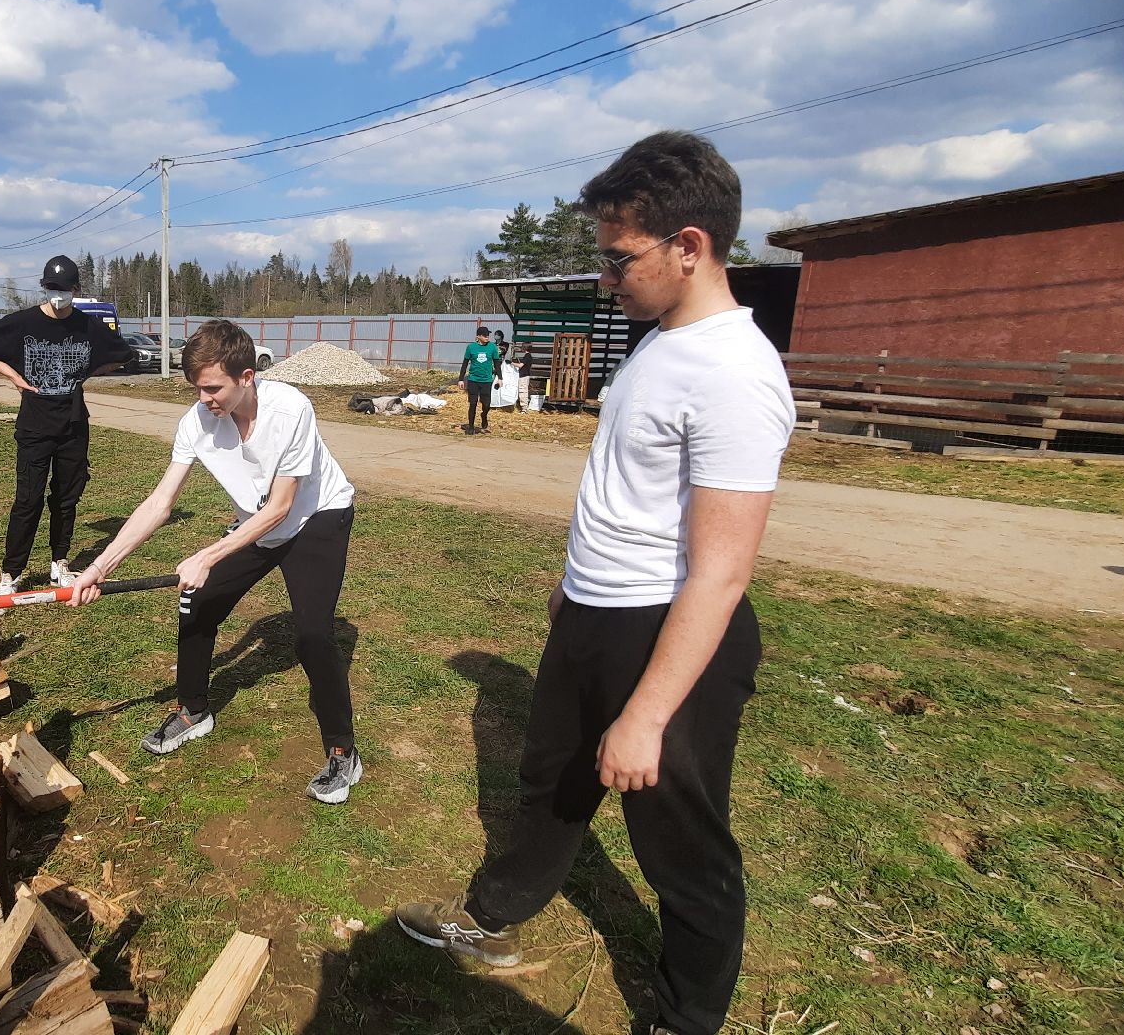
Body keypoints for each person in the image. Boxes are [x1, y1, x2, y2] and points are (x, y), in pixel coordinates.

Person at [394, 131, 795, 1035]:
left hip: (670, 633)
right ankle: (495, 914)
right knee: (551, 781)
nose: (608, 281)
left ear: (688, 248)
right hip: (595, 613)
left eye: (620, 261)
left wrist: (647, 714)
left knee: (680, 843)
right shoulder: (661, 341)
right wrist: (574, 590)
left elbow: (723, 568)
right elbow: (632, 491)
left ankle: (687, 1014)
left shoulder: (735, 372)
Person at [66, 319, 362, 804]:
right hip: (258, 519)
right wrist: (100, 566)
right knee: (196, 600)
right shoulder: (196, 421)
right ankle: (193, 710)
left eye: (212, 387)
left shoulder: (290, 410)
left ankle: (342, 750)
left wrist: (208, 553)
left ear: (247, 376)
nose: (203, 399)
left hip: (316, 518)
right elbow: (160, 503)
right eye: (196, 388)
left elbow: (283, 507)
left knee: (312, 635)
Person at [0, 255, 134, 595]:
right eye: (52, 288)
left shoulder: (87, 326)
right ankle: (11, 574)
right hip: (35, 427)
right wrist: (14, 377)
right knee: (28, 500)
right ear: (45, 288)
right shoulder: (24, 322)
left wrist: (88, 374)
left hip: (73, 425)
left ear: (76, 289)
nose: (59, 295)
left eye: (65, 289)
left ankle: (60, 562)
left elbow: (122, 354)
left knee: (65, 498)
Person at [459, 325, 501, 434]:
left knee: (486, 404)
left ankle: (484, 415)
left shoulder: (492, 347)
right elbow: (464, 364)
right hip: (473, 380)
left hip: (486, 380)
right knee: (473, 403)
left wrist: (500, 378)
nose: (487, 337)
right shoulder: (471, 347)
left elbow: (497, 363)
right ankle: (471, 427)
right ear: (478, 336)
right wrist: (461, 379)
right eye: (485, 335)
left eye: (488, 335)